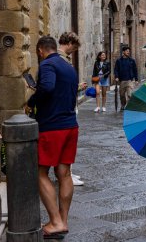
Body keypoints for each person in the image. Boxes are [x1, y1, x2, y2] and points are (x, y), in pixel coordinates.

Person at [27, 36, 78, 239]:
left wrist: (31, 100)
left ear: (40, 50)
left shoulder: (47, 64)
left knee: (39, 173)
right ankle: (62, 221)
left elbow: (47, 87)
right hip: (70, 125)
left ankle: (55, 222)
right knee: (64, 173)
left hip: (52, 127)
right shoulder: (68, 67)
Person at [58, 32, 85, 186]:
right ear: (68, 43)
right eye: (73, 48)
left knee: (69, 143)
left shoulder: (64, 59)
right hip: (66, 108)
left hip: (69, 105)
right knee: (67, 144)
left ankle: (69, 173)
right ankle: (66, 174)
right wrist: (77, 87)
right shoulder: (61, 60)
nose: (74, 51)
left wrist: (77, 87)